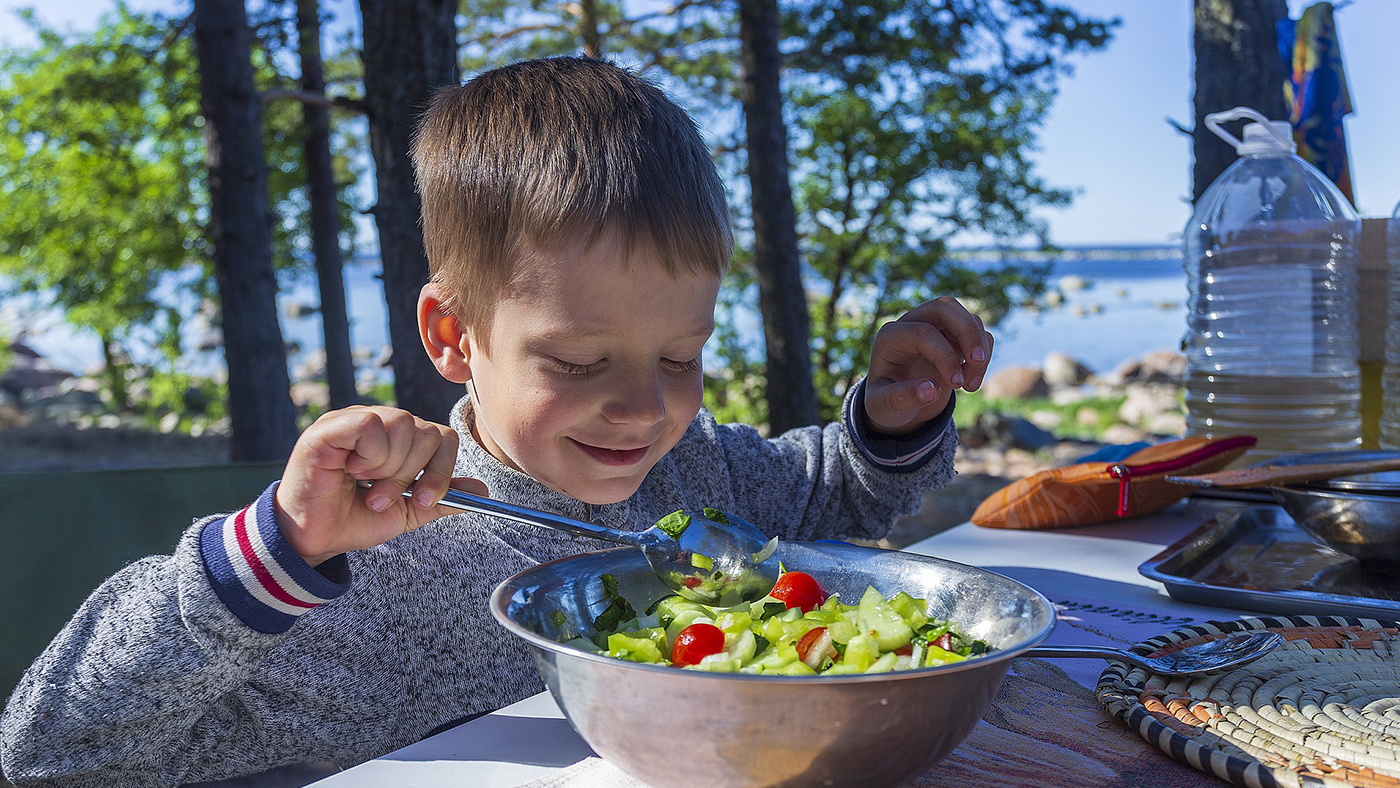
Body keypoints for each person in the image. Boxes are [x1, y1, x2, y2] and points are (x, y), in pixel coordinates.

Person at [0, 56, 992, 786]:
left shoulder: (696, 480)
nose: (647, 407)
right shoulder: (374, 574)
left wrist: (889, 419)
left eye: (681, 358)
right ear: (452, 335)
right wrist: (272, 555)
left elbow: (837, 496)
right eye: (576, 361)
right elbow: (53, 751)